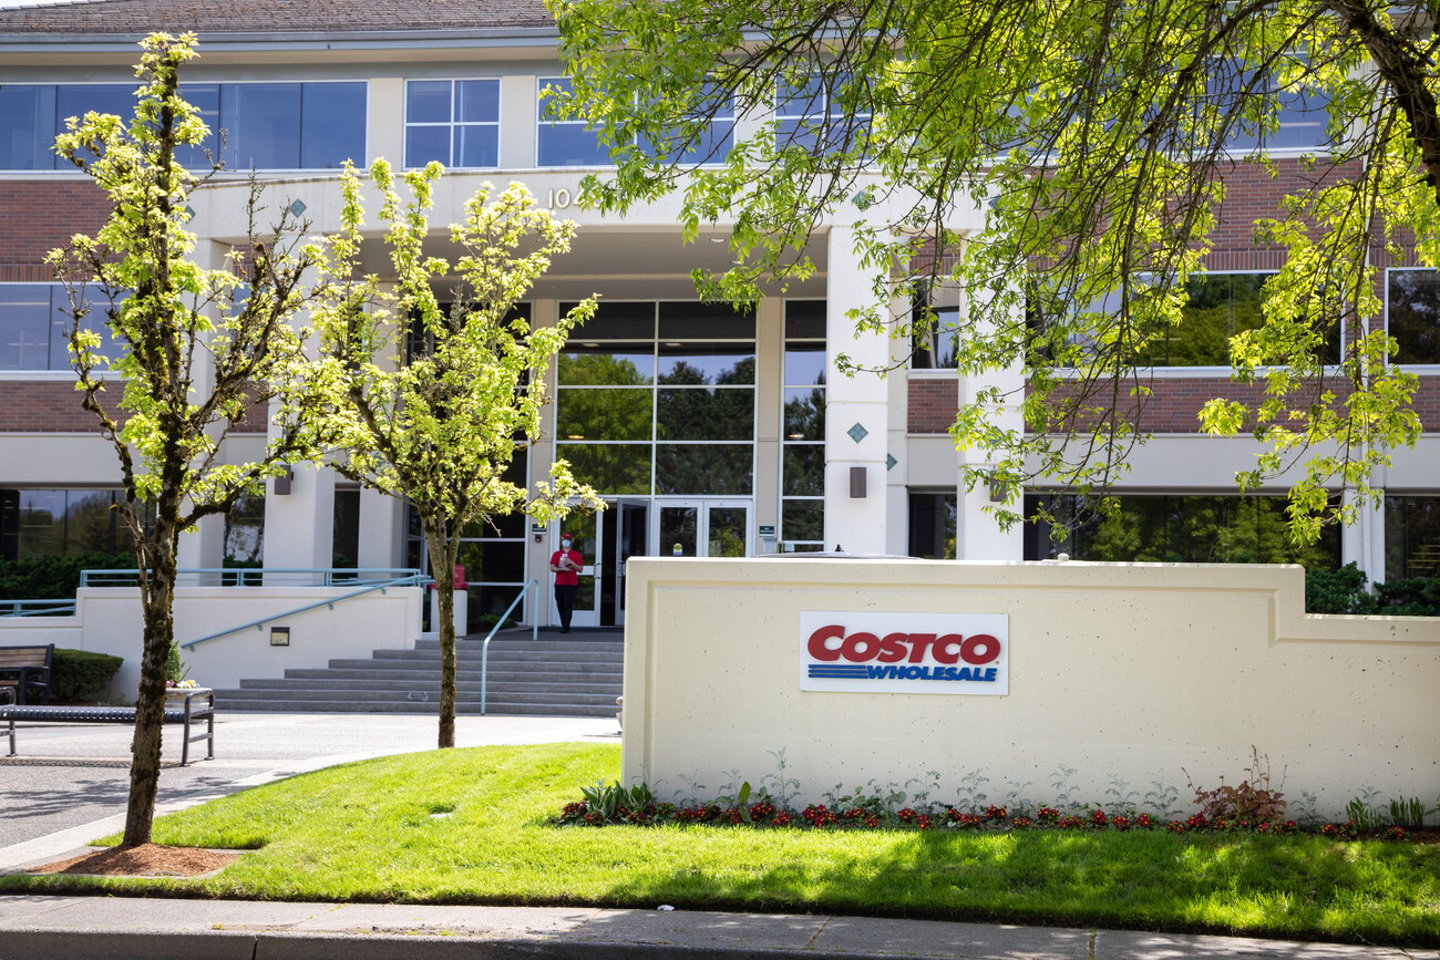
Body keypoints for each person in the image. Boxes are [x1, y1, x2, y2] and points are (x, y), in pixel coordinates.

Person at [549, 533, 583, 633]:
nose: (565, 541)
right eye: (564, 539)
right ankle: (564, 623)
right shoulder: (556, 554)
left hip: (571, 584)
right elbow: (552, 568)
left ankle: (566, 626)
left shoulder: (576, 555)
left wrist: (571, 562)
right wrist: (561, 568)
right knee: (560, 604)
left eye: (567, 540)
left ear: (571, 541)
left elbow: (580, 569)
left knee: (568, 604)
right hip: (559, 583)